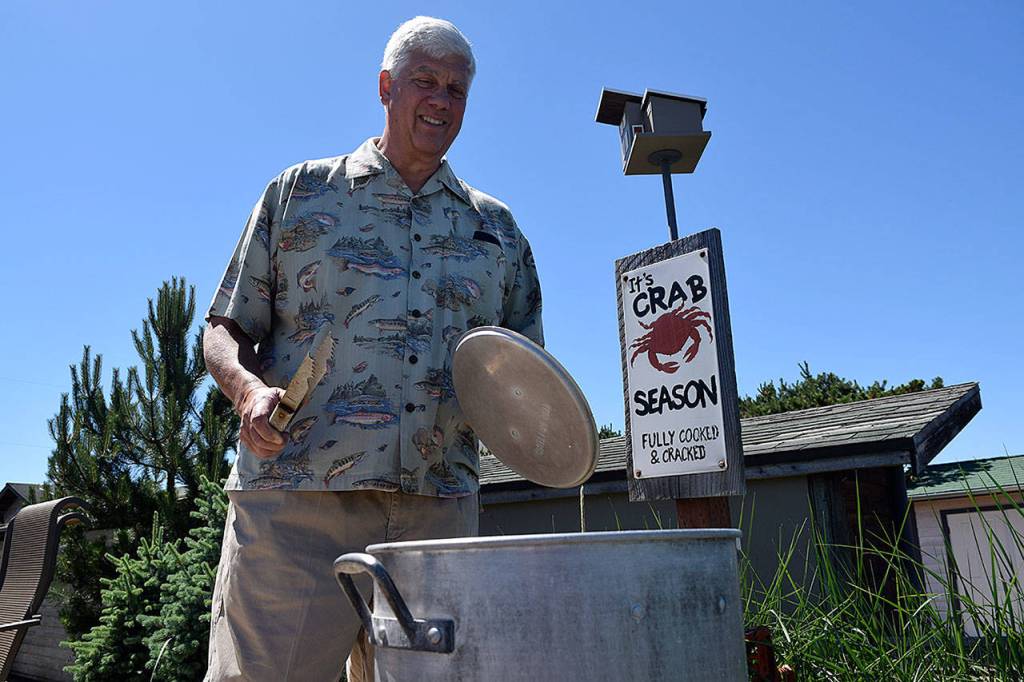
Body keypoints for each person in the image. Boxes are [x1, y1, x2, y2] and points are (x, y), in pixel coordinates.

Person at [201, 15, 543, 682]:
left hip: (436, 512)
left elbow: (523, 371)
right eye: (425, 82)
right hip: (296, 505)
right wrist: (248, 391)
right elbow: (223, 327)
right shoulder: (299, 194)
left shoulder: (495, 230)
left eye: (456, 89)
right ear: (386, 87)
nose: (441, 101)